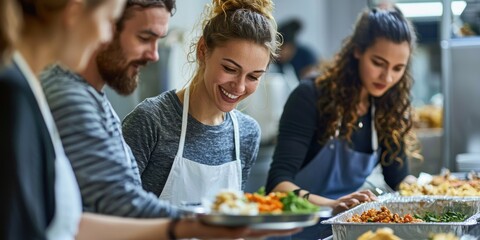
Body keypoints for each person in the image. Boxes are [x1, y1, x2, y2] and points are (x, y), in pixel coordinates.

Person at [0, 0, 299, 239]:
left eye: (254, 76)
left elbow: (74, 223)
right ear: (74, 12)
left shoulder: (84, 97)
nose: (104, 36)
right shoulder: (44, 92)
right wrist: (205, 224)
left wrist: (200, 226)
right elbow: (115, 207)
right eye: (108, 22)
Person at [266, 7, 421, 224]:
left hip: (347, 227)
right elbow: (278, 185)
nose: (386, 77)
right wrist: (332, 206)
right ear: (357, 50)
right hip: (297, 227)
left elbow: (399, 179)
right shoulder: (311, 96)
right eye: (378, 63)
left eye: (398, 68)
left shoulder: (387, 108)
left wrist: (430, 190)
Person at [122, 0, 280, 205]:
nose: (240, 87)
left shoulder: (247, 133)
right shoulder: (151, 120)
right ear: (203, 50)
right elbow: (115, 209)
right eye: (230, 69)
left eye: (253, 77)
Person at [40, 0, 179, 219]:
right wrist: (212, 217)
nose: (154, 55)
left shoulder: (94, 97)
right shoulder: (68, 97)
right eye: (144, 38)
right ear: (108, 26)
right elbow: (120, 205)